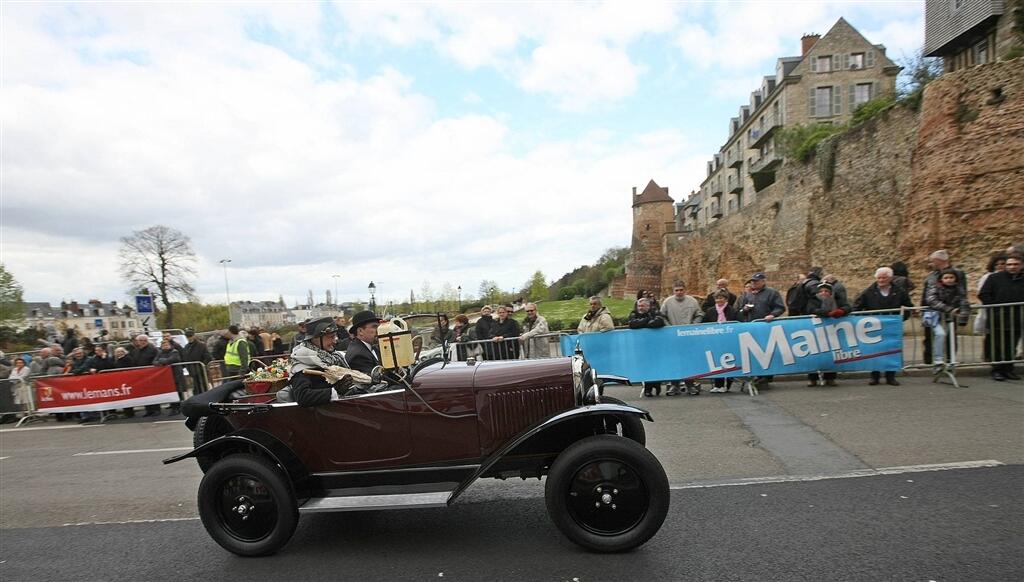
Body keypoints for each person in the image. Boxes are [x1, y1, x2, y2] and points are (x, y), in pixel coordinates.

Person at [854, 267, 913, 385]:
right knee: (874, 350)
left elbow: (908, 306)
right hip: (873, 326)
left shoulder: (900, 291)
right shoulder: (868, 292)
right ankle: (874, 376)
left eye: (884, 277)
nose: (881, 280)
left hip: (892, 326)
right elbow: (857, 307)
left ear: (890, 278)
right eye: (879, 278)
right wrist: (863, 320)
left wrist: (901, 318)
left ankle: (890, 376)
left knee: (891, 350)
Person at [288, 317, 357, 407]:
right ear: (316, 338)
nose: (335, 340)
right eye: (331, 337)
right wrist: (335, 390)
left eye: (335, 336)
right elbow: (303, 396)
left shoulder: (333, 357)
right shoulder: (303, 362)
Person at [734, 272, 786, 389]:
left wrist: (772, 315)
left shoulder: (772, 293)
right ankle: (757, 376)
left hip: (766, 326)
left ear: (763, 281)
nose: (753, 283)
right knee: (754, 353)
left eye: (756, 281)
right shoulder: (748, 295)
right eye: (752, 281)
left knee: (767, 352)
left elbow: (780, 307)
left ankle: (766, 378)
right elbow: (740, 310)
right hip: (751, 327)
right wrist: (745, 310)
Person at [979, 253, 1023, 381]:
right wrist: (994, 308)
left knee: (1011, 345)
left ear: (1021, 265)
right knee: (997, 345)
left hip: (1017, 318)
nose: (1012, 267)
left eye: (1015, 264)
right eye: (1009, 264)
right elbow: (984, 294)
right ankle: (997, 370)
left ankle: (1008, 369)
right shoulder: (994, 278)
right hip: (997, 319)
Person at [920, 250, 967, 364]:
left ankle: (950, 360)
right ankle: (929, 361)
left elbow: (961, 292)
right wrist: (922, 308)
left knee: (950, 335)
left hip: (950, 310)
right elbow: (926, 293)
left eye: (933, 260)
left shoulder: (957, 273)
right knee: (929, 336)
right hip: (932, 310)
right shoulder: (932, 275)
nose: (931, 263)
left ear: (939, 260)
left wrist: (960, 310)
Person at [924, 268, 970, 372]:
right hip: (935, 316)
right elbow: (931, 300)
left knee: (951, 338)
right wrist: (948, 309)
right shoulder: (935, 287)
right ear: (941, 279)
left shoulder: (959, 289)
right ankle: (938, 361)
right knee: (940, 334)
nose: (949, 280)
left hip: (951, 317)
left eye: (951, 277)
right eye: (946, 278)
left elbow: (964, 302)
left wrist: (963, 317)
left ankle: (950, 361)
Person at [806, 282, 852, 386]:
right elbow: (811, 309)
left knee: (832, 354)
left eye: (826, 291)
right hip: (816, 330)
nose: (824, 293)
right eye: (821, 291)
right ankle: (812, 378)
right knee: (815, 354)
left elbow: (848, 307)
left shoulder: (838, 299)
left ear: (831, 292)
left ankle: (830, 378)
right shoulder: (813, 300)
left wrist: (841, 311)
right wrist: (827, 313)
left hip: (834, 330)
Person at [662, 282, 704, 395]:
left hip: (688, 336)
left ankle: (690, 384)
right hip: (673, 336)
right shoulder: (667, 302)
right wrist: (669, 327)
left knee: (688, 361)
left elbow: (699, 314)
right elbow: (662, 315)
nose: (679, 292)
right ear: (673, 291)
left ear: (685, 290)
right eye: (677, 290)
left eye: (681, 290)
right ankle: (674, 385)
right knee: (674, 361)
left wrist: (692, 326)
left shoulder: (693, 301)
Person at [628, 297, 666, 397]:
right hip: (641, 345)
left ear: (648, 306)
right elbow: (632, 324)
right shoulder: (633, 313)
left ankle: (657, 385)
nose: (640, 308)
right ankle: (648, 388)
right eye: (639, 306)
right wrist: (647, 320)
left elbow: (659, 322)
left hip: (655, 344)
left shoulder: (655, 312)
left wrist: (643, 323)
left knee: (656, 365)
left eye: (643, 306)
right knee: (646, 366)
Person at [704, 290, 740, 393]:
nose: (719, 300)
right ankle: (717, 384)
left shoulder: (732, 310)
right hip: (714, 339)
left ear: (726, 299)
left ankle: (727, 385)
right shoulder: (710, 311)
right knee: (717, 361)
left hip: (729, 339)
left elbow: (738, 322)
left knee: (728, 361)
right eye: (717, 298)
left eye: (721, 298)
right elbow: (704, 323)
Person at [975, 252, 1009, 362]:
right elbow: (982, 292)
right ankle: (988, 356)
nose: (1000, 266)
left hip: (1007, 312)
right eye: (997, 264)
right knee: (991, 334)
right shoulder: (988, 277)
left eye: (1003, 263)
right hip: (992, 310)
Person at [345, 310, 383, 375]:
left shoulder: (373, 347)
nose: (378, 330)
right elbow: (376, 381)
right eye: (374, 327)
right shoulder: (358, 356)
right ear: (360, 331)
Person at [181, 328, 211, 395]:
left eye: (190, 336)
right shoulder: (186, 347)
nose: (189, 338)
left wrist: (201, 367)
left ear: (194, 335)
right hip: (192, 370)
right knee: (196, 387)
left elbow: (208, 357)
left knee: (203, 387)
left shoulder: (201, 345)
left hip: (200, 370)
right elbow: (185, 358)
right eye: (188, 336)